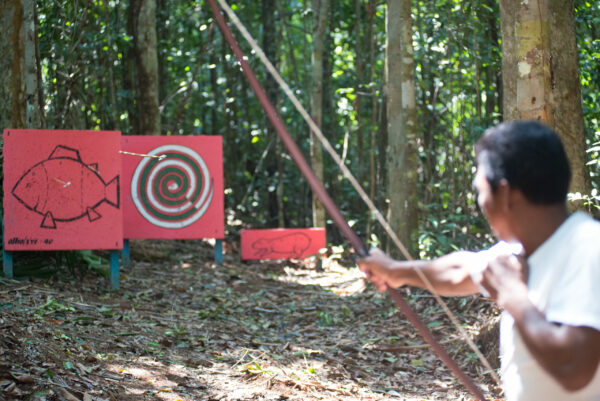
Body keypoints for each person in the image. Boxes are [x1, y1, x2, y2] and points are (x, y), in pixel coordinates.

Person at [358, 121, 600, 401]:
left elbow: (574, 368)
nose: (480, 201)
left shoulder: (588, 245)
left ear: (507, 194)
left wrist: (514, 297)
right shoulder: (523, 250)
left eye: (480, 189)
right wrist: (393, 270)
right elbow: (460, 270)